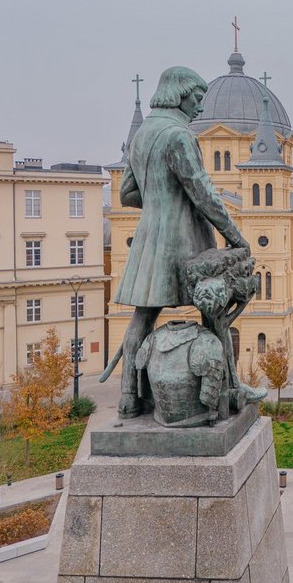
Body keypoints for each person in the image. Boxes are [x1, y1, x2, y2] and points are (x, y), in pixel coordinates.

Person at [105, 67, 252, 418]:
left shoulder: (143, 135)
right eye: (198, 99)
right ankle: (228, 389)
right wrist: (235, 237)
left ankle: (128, 396)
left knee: (143, 316)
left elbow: (127, 193)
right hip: (186, 239)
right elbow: (202, 192)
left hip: (148, 240)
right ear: (179, 93)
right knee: (213, 311)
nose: (200, 108)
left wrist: (159, 202)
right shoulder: (179, 135)